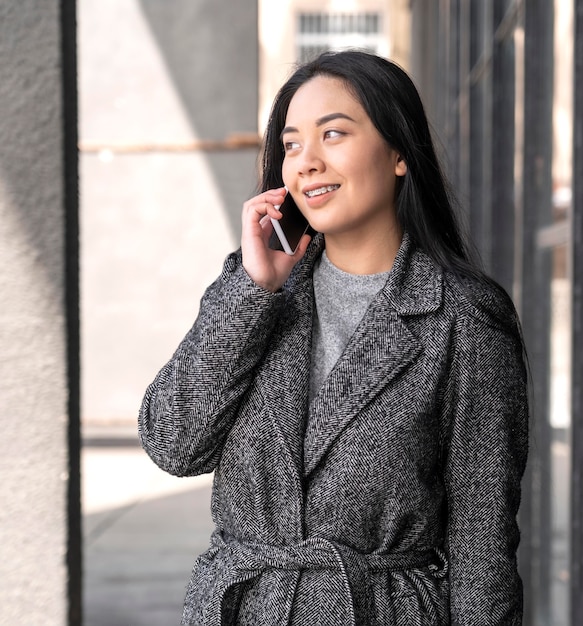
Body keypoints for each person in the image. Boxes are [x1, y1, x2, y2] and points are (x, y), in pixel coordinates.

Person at [139, 50, 529, 625]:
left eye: (334, 134)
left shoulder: (462, 319)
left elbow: (482, 550)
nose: (307, 162)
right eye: (292, 145)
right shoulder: (257, 292)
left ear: (399, 153)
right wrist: (254, 293)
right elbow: (173, 443)